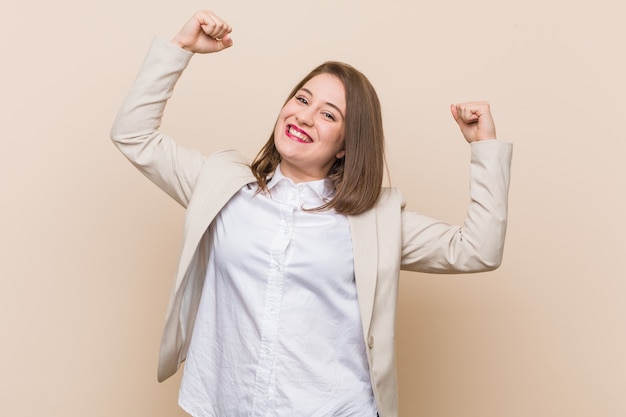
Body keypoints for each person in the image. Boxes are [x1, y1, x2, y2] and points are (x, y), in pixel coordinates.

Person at [111, 9, 512, 417]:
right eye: (302, 99)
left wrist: (485, 148)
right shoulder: (221, 186)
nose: (304, 115)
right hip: (226, 404)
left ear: (346, 145)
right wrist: (181, 48)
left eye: (328, 114)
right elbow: (133, 135)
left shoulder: (374, 221)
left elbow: (477, 250)